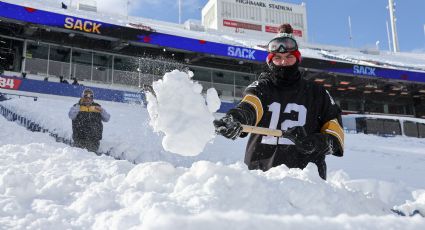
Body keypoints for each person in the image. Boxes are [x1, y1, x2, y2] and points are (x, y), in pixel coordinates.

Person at [213, 24, 344, 180]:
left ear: (297, 59)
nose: (283, 62)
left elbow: (336, 134)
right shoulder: (263, 87)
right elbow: (250, 105)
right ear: (270, 61)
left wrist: (315, 142)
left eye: (289, 57)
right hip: (262, 178)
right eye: (278, 58)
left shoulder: (318, 93)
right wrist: (235, 118)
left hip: (308, 184)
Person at [68, 88, 110, 152]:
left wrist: (102, 111)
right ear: (82, 97)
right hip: (79, 139)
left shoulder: (97, 107)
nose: (88, 99)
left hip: (94, 140)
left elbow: (107, 118)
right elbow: (71, 116)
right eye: (86, 97)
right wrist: (78, 107)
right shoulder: (77, 106)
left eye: (90, 97)